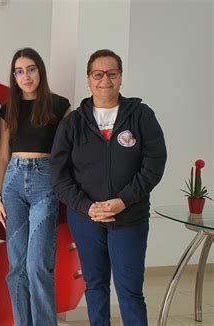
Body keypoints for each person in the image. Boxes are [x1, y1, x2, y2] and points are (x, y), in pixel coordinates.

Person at [51, 49, 167, 325]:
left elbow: (154, 164)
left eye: (111, 73)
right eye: (98, 74)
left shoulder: (141, 116)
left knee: (130, 291)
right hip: (86, 219)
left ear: (121, 77)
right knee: (95, 286)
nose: (105, 80)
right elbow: (58, 175)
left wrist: (123, 201)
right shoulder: (73, 123)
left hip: (129, 217)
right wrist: (87, 207)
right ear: (89, 79)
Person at [0, 47, 70, 325]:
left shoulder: (60, 106)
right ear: (14, 76)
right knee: (17, 267)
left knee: (38, 265)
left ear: (40, 70)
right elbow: (2, 155)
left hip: (45, 184)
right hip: (13, 183)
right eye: (19, 71)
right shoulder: (8, 108)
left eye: (31, 69)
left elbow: (67, 153)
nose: (25, 76)